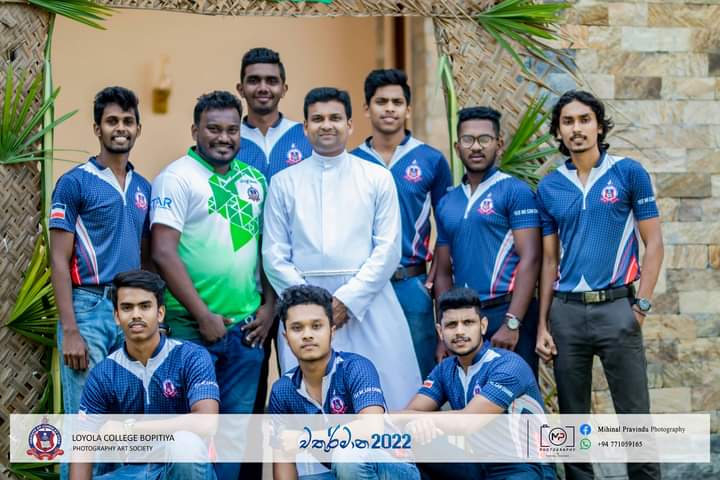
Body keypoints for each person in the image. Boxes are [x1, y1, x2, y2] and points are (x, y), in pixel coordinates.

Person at [262, 87, 421, 410]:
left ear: (349, 125)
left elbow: (388, 248)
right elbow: (273, 255)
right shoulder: (283, 182)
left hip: (369, 300)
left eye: (335, 118)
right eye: (317, 119)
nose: (326, 125)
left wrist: (348, 300)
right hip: (304, 305)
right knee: (311, 398)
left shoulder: (376, 177)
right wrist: (311, 306)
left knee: (388, 390)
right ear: (305, 127)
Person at [534, 90, 663, 480]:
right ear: (559, 131)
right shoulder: (549, 187)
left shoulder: (628, 173)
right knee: (573, 422)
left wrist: (641, 306)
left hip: (617, 309)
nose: (577, 128)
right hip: (567, 313)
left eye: (584, 119)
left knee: (635, 418)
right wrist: (543, 324)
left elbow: (654, 243)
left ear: (599, 126)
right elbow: (549, 261)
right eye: (568, 122)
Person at [150, 90, 272, 479]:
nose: (224, 138)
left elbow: (268, 250)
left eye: (232, 130)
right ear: (195, 131)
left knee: (235, 435)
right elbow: (162, 252)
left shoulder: (255, 180)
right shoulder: (176, 178)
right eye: (213, 129)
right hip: (191, 329)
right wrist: (203, 315)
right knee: (189, 433)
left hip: (246, 331)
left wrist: (270, 307)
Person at [50, 86, 151, 419]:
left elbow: (147, 259)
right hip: (87, 309)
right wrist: (70, 330)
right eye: (111, 121)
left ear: (138, 128)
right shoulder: (75, 182)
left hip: (129, 309)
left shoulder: (143, 187)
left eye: (127, 121)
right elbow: (58, 260)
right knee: (86, 418)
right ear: (97, 128)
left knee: (125, 419)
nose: (120, 128)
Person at [351, 69, 452, 379]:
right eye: (381, 102)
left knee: (420, 372)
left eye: (397, 102)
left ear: (408, 109)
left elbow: (447, 223)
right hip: (364, 284)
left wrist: (437, 270)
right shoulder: (351, 161)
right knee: (366, 370)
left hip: (410, 281)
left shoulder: (431, 160)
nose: (389, 109)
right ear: (367, 109)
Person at [71, 270, 219, 480]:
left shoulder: (190, 356)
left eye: (145, 306)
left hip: (181, 470)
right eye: (127, 307)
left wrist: (130, 429)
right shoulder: (104, 374)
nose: (136, 315)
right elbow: (83, 445)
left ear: (160, 313)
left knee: (185, 443)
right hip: (133, 473)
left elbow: (207, 422)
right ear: (116, 316)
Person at [269, 284, 420, 480]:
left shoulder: (355, 367)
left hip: (392, 468)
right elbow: (283, 454)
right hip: (340, 473)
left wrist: (304, 439)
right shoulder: (282, 390)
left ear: (332, 331)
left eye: (316, 326)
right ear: (286, 337)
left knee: (348, 454)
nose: (307, 335)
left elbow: (371, 428)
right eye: (297, 328)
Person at [434, 106, 541, 376]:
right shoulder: (447, 202)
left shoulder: (515, 191)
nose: (476, 147)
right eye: (468, 139)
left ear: (499, 144)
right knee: (470, 396)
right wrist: (444, 329)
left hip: (507, 312)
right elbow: (443, 272)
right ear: (457, 147)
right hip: (464, 318)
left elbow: (531, 258)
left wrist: (512, 322)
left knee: (516, 395)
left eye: (484, 139)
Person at [405, 287, 551, 480]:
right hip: (478, 465)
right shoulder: (445, 369)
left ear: (483, 326)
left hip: (524, 466)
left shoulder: (508, 365)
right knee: (410, 441)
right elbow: (409, 413)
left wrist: (425, 421)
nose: (460, 331)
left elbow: (468, 422)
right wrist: (414, 425)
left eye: (468, 323)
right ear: (440, 331)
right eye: (451, 325)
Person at [236, 47, 312, 182]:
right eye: (254, 80)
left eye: (272, 81)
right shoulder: (229, 140)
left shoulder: (307, 136)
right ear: (241, 89)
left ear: (283, 89)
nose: (263, 88)